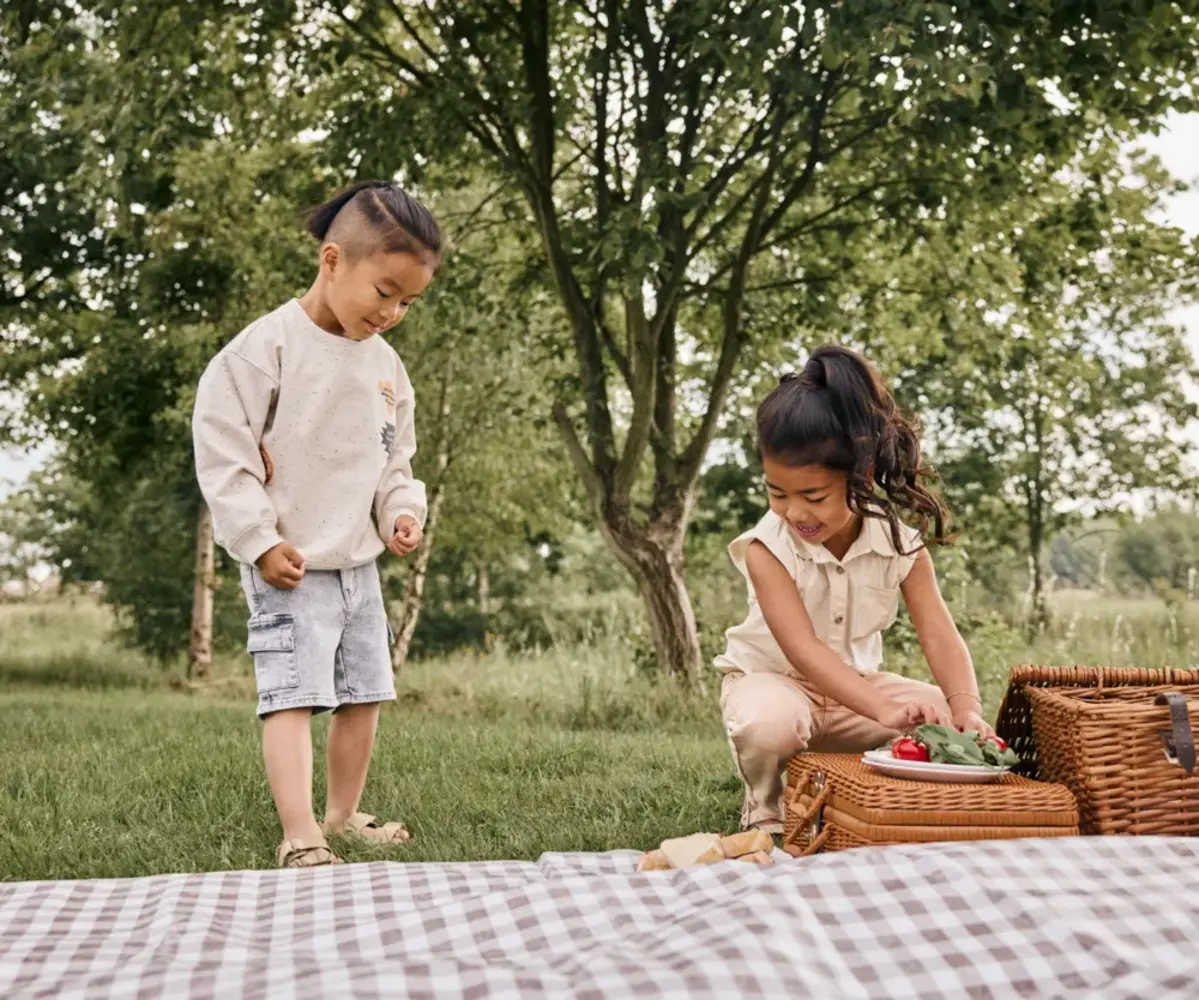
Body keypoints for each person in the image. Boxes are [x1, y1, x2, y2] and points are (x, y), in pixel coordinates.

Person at [192, 180, 440, 868]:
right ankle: (300, 832)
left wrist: (400, 514)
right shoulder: (261, 352)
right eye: (383, 291)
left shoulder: (388, 368)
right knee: (293, 698)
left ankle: (341, 815)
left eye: (408, 302)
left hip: (357, 565)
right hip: (289, 564)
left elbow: (396, 460)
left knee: (365, 696)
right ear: (332, 261)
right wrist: (260, 541)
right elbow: (225, 457)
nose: (392, 312)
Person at [715, 345, 995, 834]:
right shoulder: (766, 547)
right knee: (769, 722)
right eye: (776, 492)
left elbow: (939, 635)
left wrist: (965, 706)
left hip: (855, 694)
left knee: (949, 722)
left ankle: (863, 789)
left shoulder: (900, 546)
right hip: (777, 684)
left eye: (813, 496)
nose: (794, 512)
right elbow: (801, 650)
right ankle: (766, 803)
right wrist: (884, 710)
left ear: (861, 476)